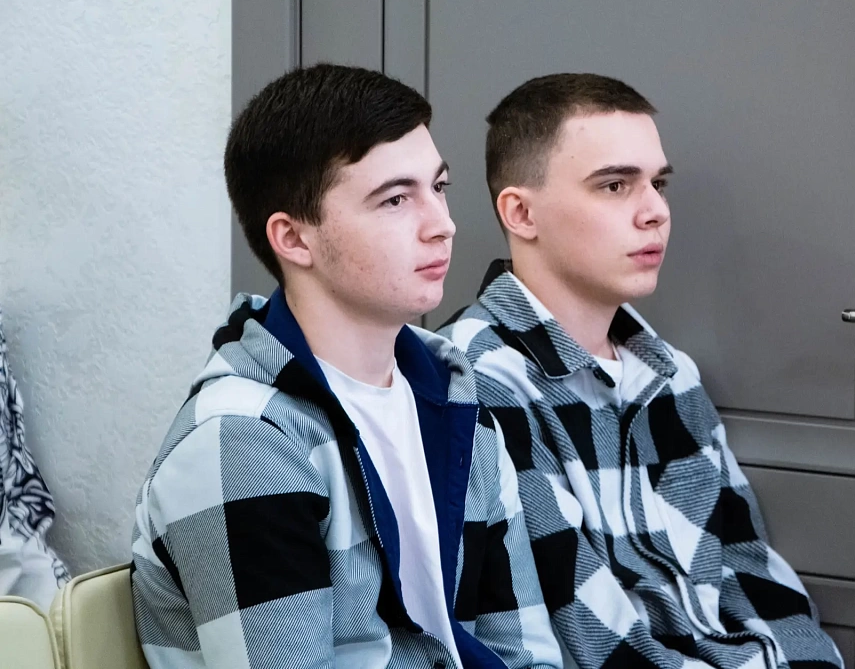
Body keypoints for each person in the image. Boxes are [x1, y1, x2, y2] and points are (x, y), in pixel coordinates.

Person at [130, 64, 561, 669]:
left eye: (438, 187)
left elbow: (523, 651)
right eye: (395, 199)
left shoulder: (456, 399)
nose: (442, 224)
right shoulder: (241, 443)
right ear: (294, 239)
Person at [440, 73, 843, 669]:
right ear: (522, 213)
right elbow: (588, 637)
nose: (655, 211)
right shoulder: (478, 380)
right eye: (614, 186)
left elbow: (750, 569)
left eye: (658, 183)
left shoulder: (670, 374)